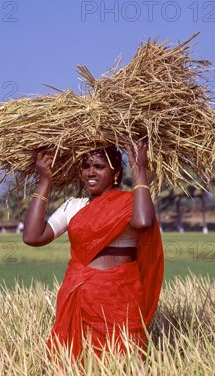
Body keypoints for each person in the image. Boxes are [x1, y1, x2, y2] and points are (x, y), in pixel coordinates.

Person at [22, 141, 164, 361]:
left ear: (115, 172)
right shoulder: (73, 206)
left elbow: (144, 222)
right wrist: (44, 180)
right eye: (86, 166)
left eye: (99, 166)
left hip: (119, 298)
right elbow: (32, 237)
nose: (91, 172)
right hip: (79, 296)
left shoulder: (131, 202)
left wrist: (139, 170)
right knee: (75, 366)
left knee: (124, 365)